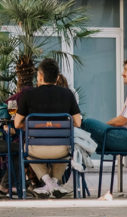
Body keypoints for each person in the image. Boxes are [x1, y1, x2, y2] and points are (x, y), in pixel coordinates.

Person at [14, 58, 82, 197]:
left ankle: (47, 183)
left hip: (36, 149)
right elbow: (77, 122)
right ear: (57, 77)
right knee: (67, 147)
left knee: (27, 149)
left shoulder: (28, 95)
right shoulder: (68, 94)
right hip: (61, 149)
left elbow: (17, 124)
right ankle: (54, 183)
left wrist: (33, 127)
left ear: (39, 76)